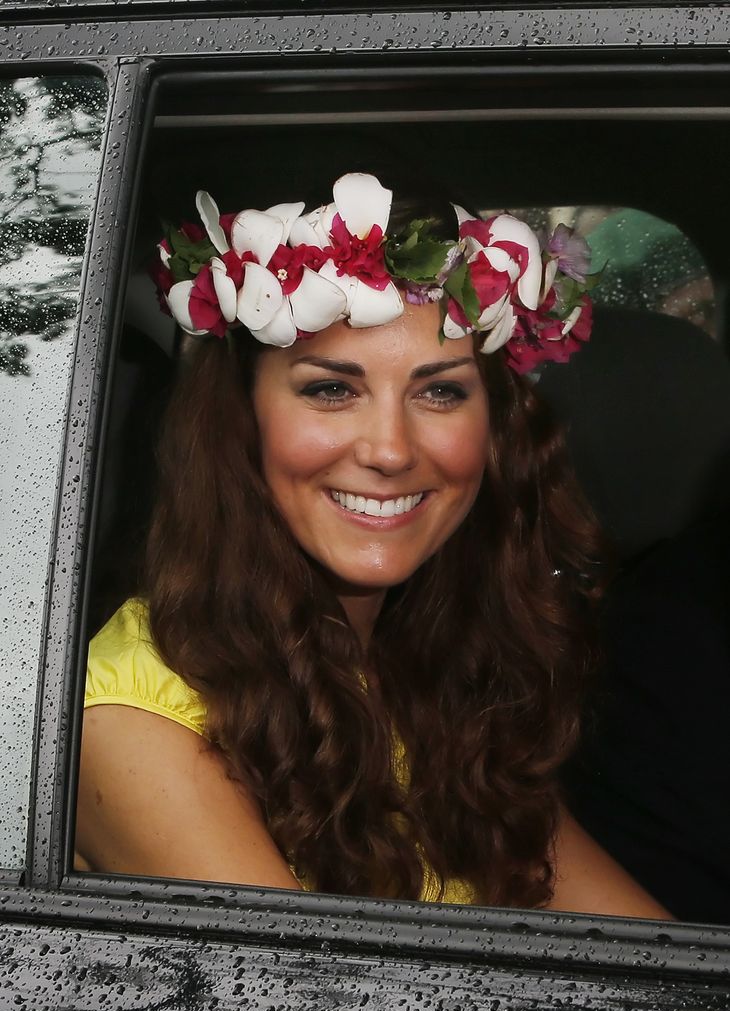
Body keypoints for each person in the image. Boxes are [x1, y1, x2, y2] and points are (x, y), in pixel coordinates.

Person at [75, 172, 669, 917]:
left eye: (440, 391)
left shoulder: (432, 674)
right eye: (331, 390)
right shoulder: (135, 725)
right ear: (241, 423)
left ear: (494, 432)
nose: (389, 450)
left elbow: (638, 951)